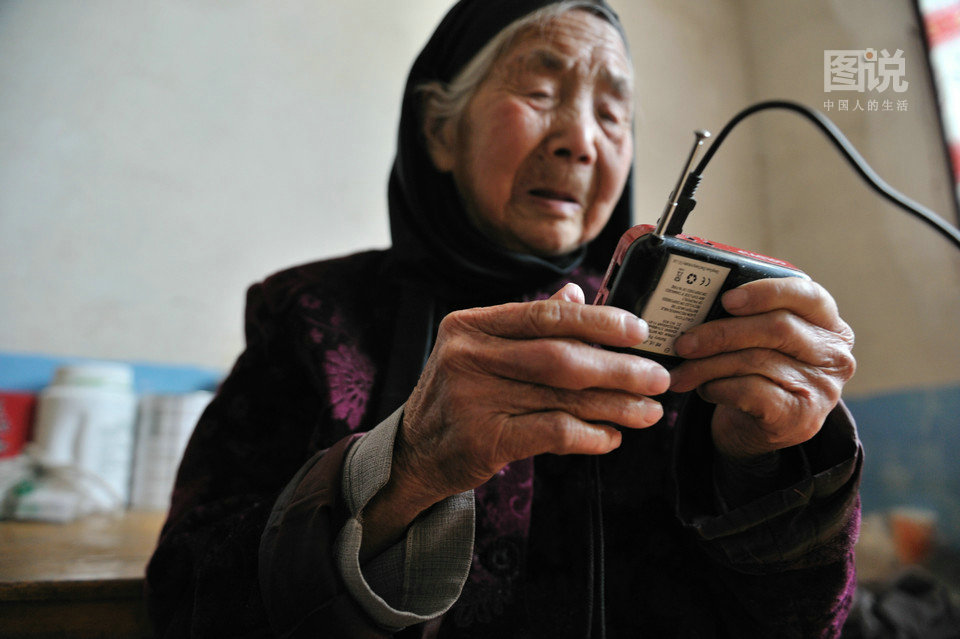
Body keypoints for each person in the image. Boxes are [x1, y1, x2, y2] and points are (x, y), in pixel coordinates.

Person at [145, 0, 862, 637]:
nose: (580, 139)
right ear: (438, 130)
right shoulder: (310, 315)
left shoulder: (676, 343)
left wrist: (763, 460)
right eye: (541, 90)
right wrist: (405, 468)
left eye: (614, 113)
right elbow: (188, 594)